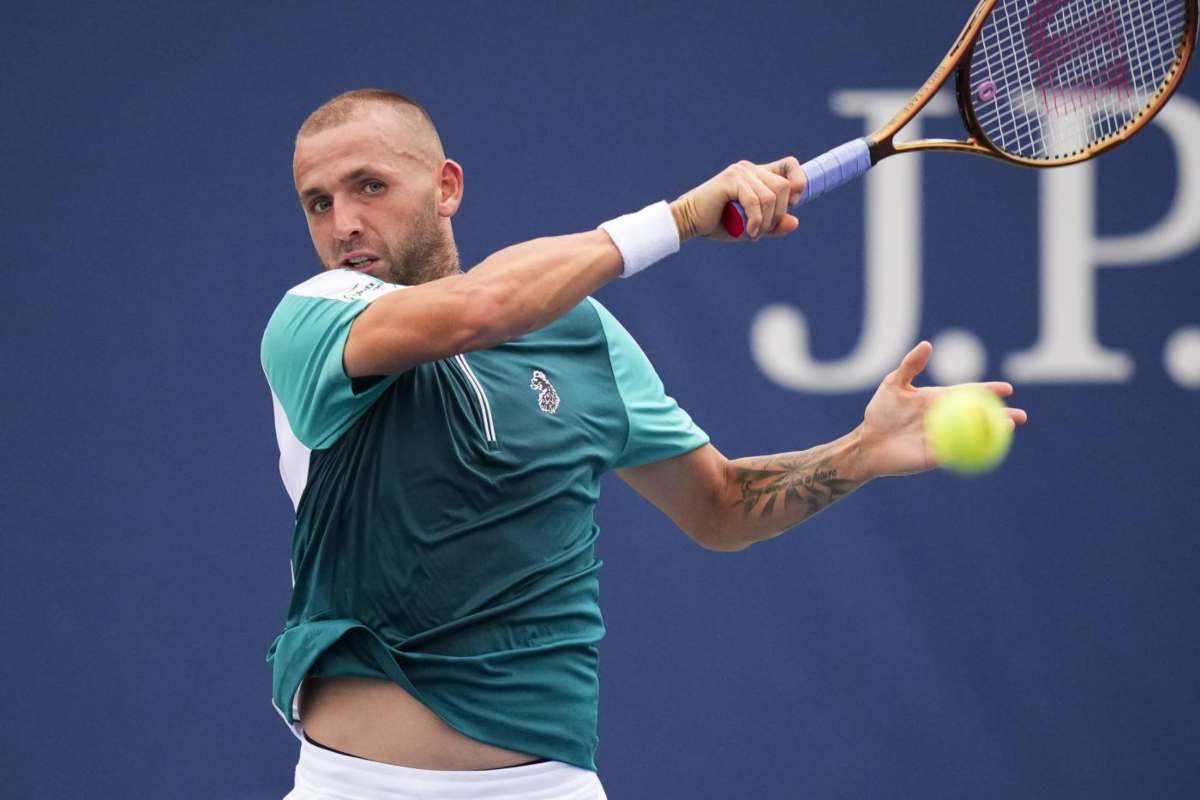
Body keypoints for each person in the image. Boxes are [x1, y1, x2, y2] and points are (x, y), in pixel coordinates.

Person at [261, 88, 1027, 800]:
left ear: (446, 187)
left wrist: (857, 453)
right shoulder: (314, 319)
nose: (343, 223)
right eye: (317, 202)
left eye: (369, 187)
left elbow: (720, 506)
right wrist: (681, 217)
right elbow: (482, 307)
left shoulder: (580, 334)